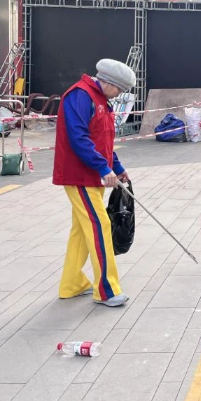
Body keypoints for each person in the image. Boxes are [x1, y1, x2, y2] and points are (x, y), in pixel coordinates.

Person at [53, 59, 135, 307]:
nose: (119, 94)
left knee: (81, 231)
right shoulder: (80, 96)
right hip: (80, 176)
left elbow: (104, 141)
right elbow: (79, 138)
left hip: (92, 176)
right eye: (119, 89)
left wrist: (117, 168)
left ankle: (72, 285)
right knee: (100, 227)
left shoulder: (100, 100)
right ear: (108, 82)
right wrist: (103, 167)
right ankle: (107, 290)